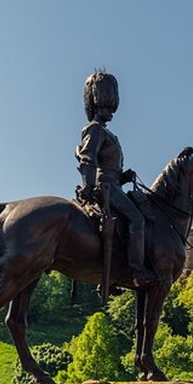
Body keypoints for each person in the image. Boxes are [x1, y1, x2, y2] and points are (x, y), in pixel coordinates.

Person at [75, 70, 156, 287]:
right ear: (94, 105)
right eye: (104, 107)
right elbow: (87, 157)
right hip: (105, 188)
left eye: (111, 107)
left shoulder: (106, 132)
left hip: (113, 184)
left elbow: (105, 165)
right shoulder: (95, 129)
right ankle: (137, 271)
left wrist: (123, 176)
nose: (109, 112)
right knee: (137, 219)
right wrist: (89, 186)